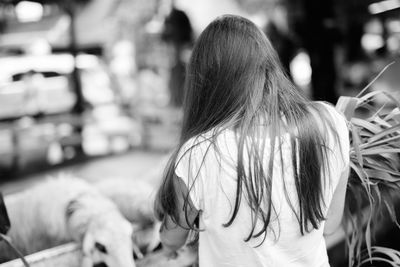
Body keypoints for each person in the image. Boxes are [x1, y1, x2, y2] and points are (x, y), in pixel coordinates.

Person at [154, 15, 350, 267]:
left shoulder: (198, 153)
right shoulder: (330, 123)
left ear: (206, 83)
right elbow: (330, 223)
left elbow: (172, 239)